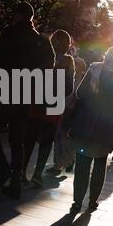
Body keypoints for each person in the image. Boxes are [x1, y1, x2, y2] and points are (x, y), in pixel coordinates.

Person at [0, 1, 54, 199]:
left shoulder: (9, 32)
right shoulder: (42, 40)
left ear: (19, 15)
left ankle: (2, 166)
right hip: (25, 94)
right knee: (17, 138)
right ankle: (15, 182)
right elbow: (49, 66)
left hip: (4, 89)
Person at [68, 46, 113, 212]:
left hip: (86, 124)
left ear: (107, 57)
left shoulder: (95, 69)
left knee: (82, 164)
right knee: (100, 164)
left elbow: (80, 93)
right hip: (108, 128)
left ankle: (77, 202)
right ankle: (92, 202)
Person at [22, 29, 74, 186]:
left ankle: (21, 172)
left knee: (29, 138)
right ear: (68, 45)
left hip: (37, 101)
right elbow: (69, 87)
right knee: (46, 141)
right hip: (54, 106)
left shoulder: (43, 54)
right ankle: (37, 175)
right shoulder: (68, 61)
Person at [46, 46, 87, 175]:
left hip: (68, 113)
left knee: (61, 139)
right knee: (65, 140)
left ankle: (59, 165)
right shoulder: (80, 81)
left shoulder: (78, 82)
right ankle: (67, 161)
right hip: (69, 113)